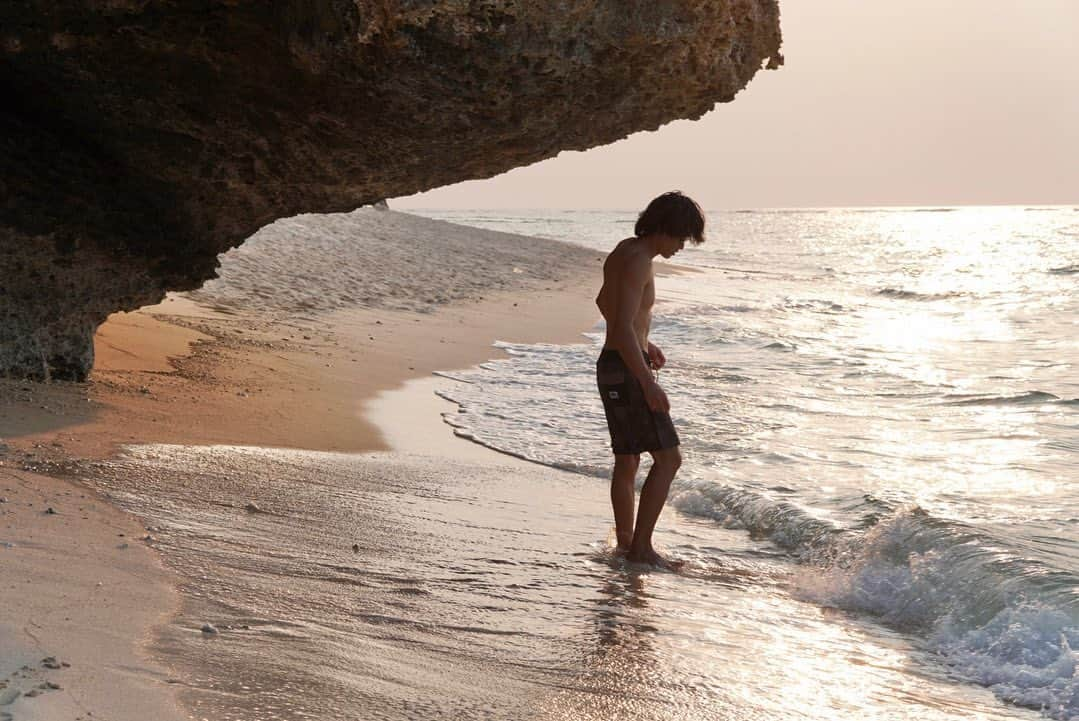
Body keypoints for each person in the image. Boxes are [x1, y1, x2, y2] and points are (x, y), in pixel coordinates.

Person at [594, 191, 705, 568]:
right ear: (666, 228)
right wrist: (647, 380)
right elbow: (623, 323)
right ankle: (641, 550)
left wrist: (646, 340)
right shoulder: (641, 261)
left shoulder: (624, 250)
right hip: (626, 368)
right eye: (681, 237)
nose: (681, 247)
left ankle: (626, 545)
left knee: (627, 461)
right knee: (669, 459)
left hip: (613, 362)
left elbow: (605, 305)